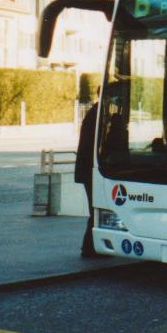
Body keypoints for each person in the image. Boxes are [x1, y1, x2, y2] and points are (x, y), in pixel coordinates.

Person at [75, 100, 99, 257]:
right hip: (91, 170)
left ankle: (91, 246)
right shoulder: (98, 114)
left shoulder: (93, 112)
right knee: (95, 209)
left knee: (94, 209)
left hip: (88, 170)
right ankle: (89, 247)